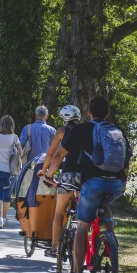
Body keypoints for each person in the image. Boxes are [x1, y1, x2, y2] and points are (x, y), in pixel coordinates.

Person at [44, 96, 132, 273]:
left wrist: (48, 176)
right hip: (116, 184)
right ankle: (111, 250)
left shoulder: (84, 129)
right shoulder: (117, 131)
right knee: (104, 208)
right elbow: (126, 161)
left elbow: (59, 156)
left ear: (89, 113)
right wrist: (122, 184)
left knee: (83, 225)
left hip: (93, 183)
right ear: (107, 113)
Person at [36, 105, 82, 258]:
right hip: (85, 176)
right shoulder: (85, 130)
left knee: (59, 213)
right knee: (83, 215)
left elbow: (52, 155)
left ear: (64, 119)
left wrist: (46, 173)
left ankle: (55, 249)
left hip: (68, 175)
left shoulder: (62, 131)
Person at [0, 115, 22, 229]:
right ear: (12, 125)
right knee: (7, 196)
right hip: (10, 172)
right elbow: (21, 153)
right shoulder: (15, 137)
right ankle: (5, 218)